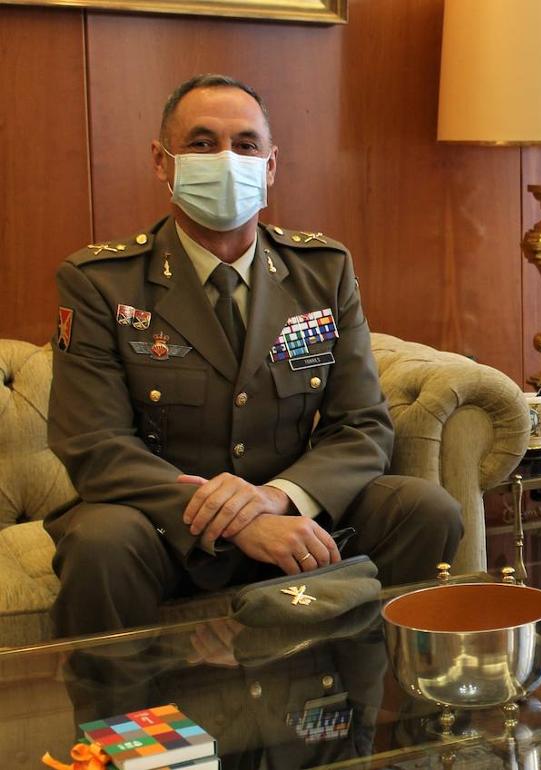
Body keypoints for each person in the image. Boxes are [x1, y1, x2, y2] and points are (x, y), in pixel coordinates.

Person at [46, 73, 463, 637]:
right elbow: (94, 445)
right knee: (100, 543)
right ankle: (119, 722)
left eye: (244, 145)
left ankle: (374, 699)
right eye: (201, 143)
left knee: (426, 509)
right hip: (161, 527)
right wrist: (238, 524)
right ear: (161, 161)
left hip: (290, 509)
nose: (225, 159)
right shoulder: (100, 282)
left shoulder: (322, 270)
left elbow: (362, 426)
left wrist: (276, 501)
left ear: (269, 165)